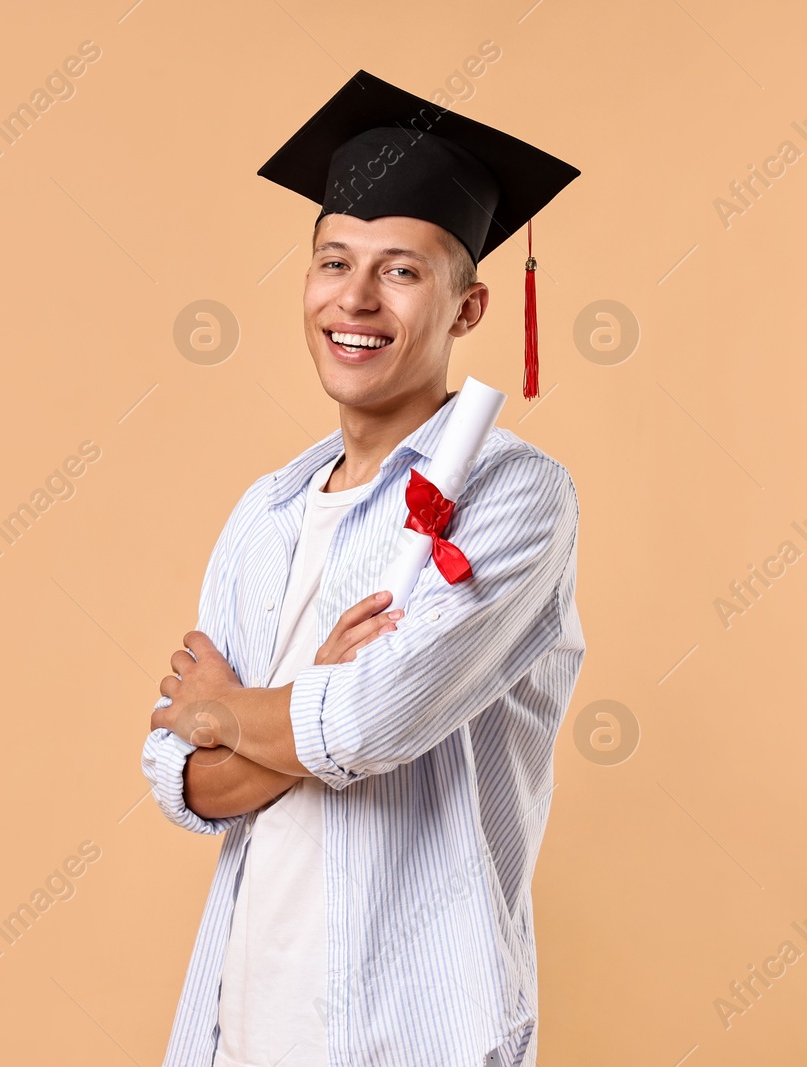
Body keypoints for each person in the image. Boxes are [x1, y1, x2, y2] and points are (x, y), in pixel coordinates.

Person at [142, 70, 585, 1067]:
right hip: (239, 1021)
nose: (353, 298)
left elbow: (370, 724)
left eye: (400, 270)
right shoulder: (264, 513)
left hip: (414, 1024)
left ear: (469, 307)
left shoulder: (516, 495)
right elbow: (174, 774)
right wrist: (285, 710)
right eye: (333, 261)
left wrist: (230, 710)